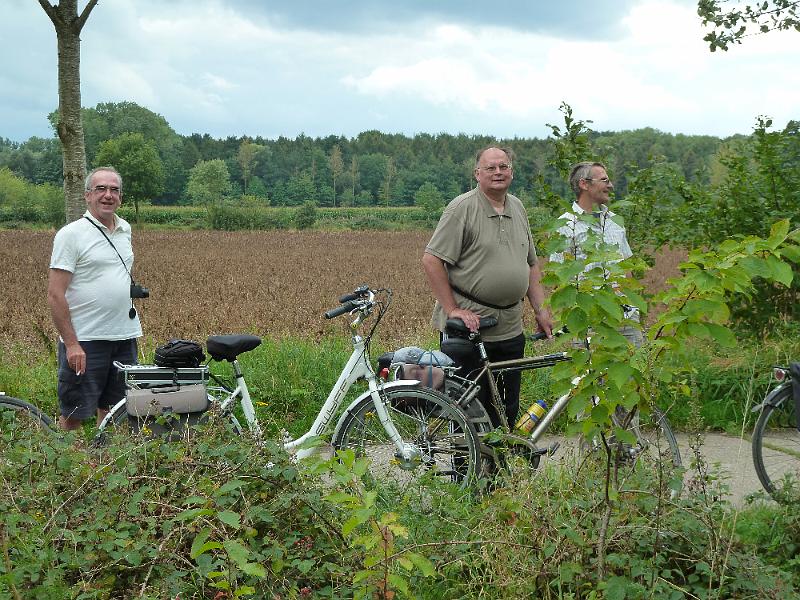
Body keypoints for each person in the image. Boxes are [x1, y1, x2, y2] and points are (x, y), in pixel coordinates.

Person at [422, 146, 553, 427]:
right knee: (467, 408)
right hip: (469, 330)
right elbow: (431, 260)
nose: (498, 172)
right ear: (477, 174)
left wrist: (541, 310)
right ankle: (466, 470)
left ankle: (500, 468)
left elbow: (531, 264)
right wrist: (453, 309)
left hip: (510, 327)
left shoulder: (517, 207)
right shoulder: (461, 208)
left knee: (507, 407)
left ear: (512, 172)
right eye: (491, 168)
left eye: (503, 167)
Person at [47, 166, 142, 430]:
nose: (108, 195)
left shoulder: (125, 229)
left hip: (124, 337)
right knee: (74, 412)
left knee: (115, 411)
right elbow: (55, 294)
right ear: (87, 195)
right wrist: (72, 344)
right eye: (101, 189)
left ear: (120, 197)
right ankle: (67, 469)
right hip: (86, 340)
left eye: (114, 190)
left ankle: (103, 464)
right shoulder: (71, 234)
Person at [550, 161, 643, 347]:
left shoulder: (615, 222)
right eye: (604, 180)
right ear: (584, 184)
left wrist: (634, 308)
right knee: (591, 374)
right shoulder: (565, 226)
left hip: (625, 319)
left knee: (632, 372)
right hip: (588, 322)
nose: (610, 186)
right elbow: (557, 280)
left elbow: (627, 267)